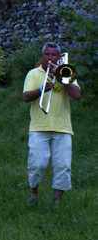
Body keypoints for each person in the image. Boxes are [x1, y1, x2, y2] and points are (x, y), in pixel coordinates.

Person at [22, 42, 81, 206]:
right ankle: (33, 192)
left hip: (63, 128)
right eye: (47, 54)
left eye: (54, 55)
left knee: (63, 166)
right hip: (38, 128)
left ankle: (57, 202)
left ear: (59, 57)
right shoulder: (33, 73)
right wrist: (41, 90)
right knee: (37, 164)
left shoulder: (66, 72)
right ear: (43, 56)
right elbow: (25, 97)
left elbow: (77, 95)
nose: (50, 58)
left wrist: (63, 78)